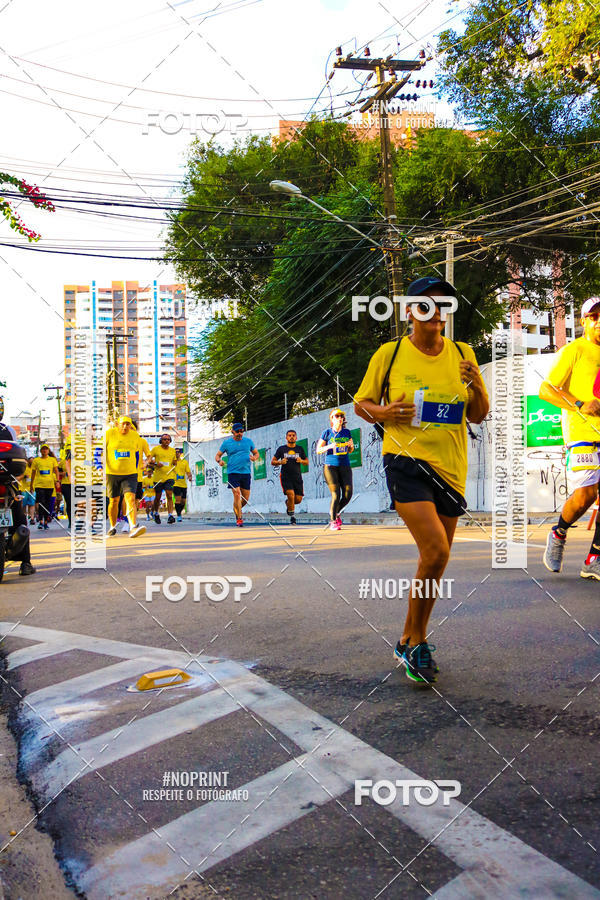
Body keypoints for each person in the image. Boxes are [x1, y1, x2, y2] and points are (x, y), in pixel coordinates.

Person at [354, 276, 489, 684]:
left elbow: (477, 414)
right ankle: (418, 643)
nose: (436, 311)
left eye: (443, 305)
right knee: (436, 551)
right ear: (410, 311)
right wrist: (385, 413)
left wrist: (475, 384)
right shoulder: (390, 353)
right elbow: (361, 404)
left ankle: (407, 637)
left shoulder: (463, 354)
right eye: (426, 304)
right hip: (405, 460)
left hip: (451, 468)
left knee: (435, 559)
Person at [541, 297, 600, 579]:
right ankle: (559, 532)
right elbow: (546, 390)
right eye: (594, 317)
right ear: (584, 321)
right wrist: (580, 404)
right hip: (582, 433)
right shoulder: (574, 350)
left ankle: (594, 559)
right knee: (586, 496)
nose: (599, 322)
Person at [0, 421, 35, 575]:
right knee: (20, 519)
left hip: (8, 484)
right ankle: (26, 563)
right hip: (9, 483)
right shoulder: (8, 429)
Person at [105, 415, 146, 539]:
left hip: (130, 473)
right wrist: (100, 467)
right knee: (114, 501)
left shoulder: (134, 435)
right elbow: (99, 451)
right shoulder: (109, 434)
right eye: (122, 424)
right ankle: (112, 526)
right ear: (117, 424)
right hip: (112, 473)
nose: (125, 426)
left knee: (131, 499)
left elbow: (137, 454)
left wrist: (137, 467)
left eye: (128, 424)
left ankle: (133, 526)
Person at [316, 409, 354, 530]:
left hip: (345, 465)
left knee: (348, 494)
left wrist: (351, 446)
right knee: (336, 494)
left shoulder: (347, 432)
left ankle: (335, 511)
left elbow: (351, 450)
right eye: (336, 416)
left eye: (341, 416)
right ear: (332, 419)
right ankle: (333, 521)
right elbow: (318, 450)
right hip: (330, 467)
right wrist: (329, 446)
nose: (339, 418)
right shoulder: (327, 433)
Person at [216, 423, 259, 526]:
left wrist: (254, 458)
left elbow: (256, 453)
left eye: (241, 431)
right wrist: (219, 461)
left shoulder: (248, 441)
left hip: (246, 473)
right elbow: (217, 455)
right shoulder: (227, 443)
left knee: (245, 499)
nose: (240, 433)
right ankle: (239, 518)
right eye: (237, 431)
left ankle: (236, 507)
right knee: (237, 494)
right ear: (232, 432)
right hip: (233, 472)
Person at [272, 430, 308, 524]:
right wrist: (280, 462)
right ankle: (292, 517)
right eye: (289, 435)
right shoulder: (281, 449)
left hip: (297, 477)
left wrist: (301, 461)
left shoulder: (300, 449)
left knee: (298, 500)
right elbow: (273, 461)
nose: (291, 437)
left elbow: (306, 462)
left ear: (296, 437)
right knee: (291, 495)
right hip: (286, 476)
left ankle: (288, 503)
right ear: (286, 437)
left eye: (293, 435)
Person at [30, 444, 60, 530]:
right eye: (43, 449)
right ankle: (40, 521)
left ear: (48, 451)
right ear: (40, 451)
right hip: (39, 485)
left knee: (47, 503)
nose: (44, 451)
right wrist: (31, 485)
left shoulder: (52, 460)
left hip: (49, 485)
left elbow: (56, 471)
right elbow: (33, 473)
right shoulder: (36, 460)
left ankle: (46, 522)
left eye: (46, 449)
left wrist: (57, 481)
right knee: (41, 503)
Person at [150, 434, 177, 524]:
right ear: (161, 440)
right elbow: (149, 460)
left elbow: (174, 462)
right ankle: (156, 513)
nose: (166, 441)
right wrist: (155, 464)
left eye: (168, 439)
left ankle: (170, 515)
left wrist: (175, 462)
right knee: (158, 497)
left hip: (169, 476)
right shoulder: (155, 449)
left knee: (169, 495)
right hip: (158, 477)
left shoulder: (172, 451)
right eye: (164, 439)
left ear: (170, 441)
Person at [173, 449, 192, 522]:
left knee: (183, 501)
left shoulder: (184, 462)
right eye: (175, 452)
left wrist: (189, 476)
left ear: (180, 453)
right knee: (178, 499)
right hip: (175, 484)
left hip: (183, 484)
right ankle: (179, 515)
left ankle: (179, 512)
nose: (177, 453)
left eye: (178, 452)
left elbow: (188, 471)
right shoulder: (172, 463)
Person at [19, 458, 35, 525]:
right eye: (30, 462)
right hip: (24, 489)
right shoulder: (24, 468)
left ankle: (32, 518)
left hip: (32, 489)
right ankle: (24, 517)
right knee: (24, 505)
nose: (31, 463)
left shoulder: (35, 469)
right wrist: (24, 476)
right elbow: (19, 477)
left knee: (32, 504)